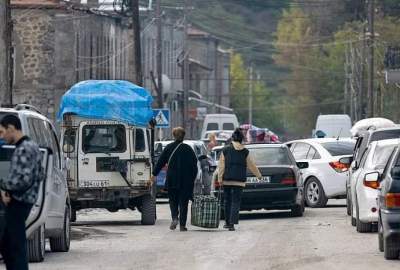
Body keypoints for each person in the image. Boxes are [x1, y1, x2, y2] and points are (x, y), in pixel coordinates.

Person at [0, 114, 43, 270]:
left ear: (11, 128)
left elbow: (23, 180)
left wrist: (4, 187)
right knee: (8, 244)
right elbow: (39, 175)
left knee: (16, 247)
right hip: (23, 200)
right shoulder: (30, 146)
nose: (2, 137)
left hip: (19, 202)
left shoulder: (24, 148)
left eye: (2, 132)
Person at [150, 127, 198, 231]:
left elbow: (160, 162)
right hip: (185, 181)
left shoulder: (168, 147)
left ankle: (175, 218)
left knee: (173, 200)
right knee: (183, 203)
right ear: (183, 136)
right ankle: (182, 225)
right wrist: (192, 179)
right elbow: (194, 167)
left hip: (172, 179)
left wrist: (154, 174)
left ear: (174, 136)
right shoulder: (188, 149)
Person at [218, 128, 262, 231]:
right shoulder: (245, 152)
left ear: (232, 138)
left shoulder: (225, 150)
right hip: (239, 181)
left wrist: (220, 179)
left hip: (227, 180)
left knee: (227, 201)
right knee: (236, 202)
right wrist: (258, 175)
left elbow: (221, 167)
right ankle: (232, 223)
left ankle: (228, 223)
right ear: (241, 139)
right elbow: (252, 165)